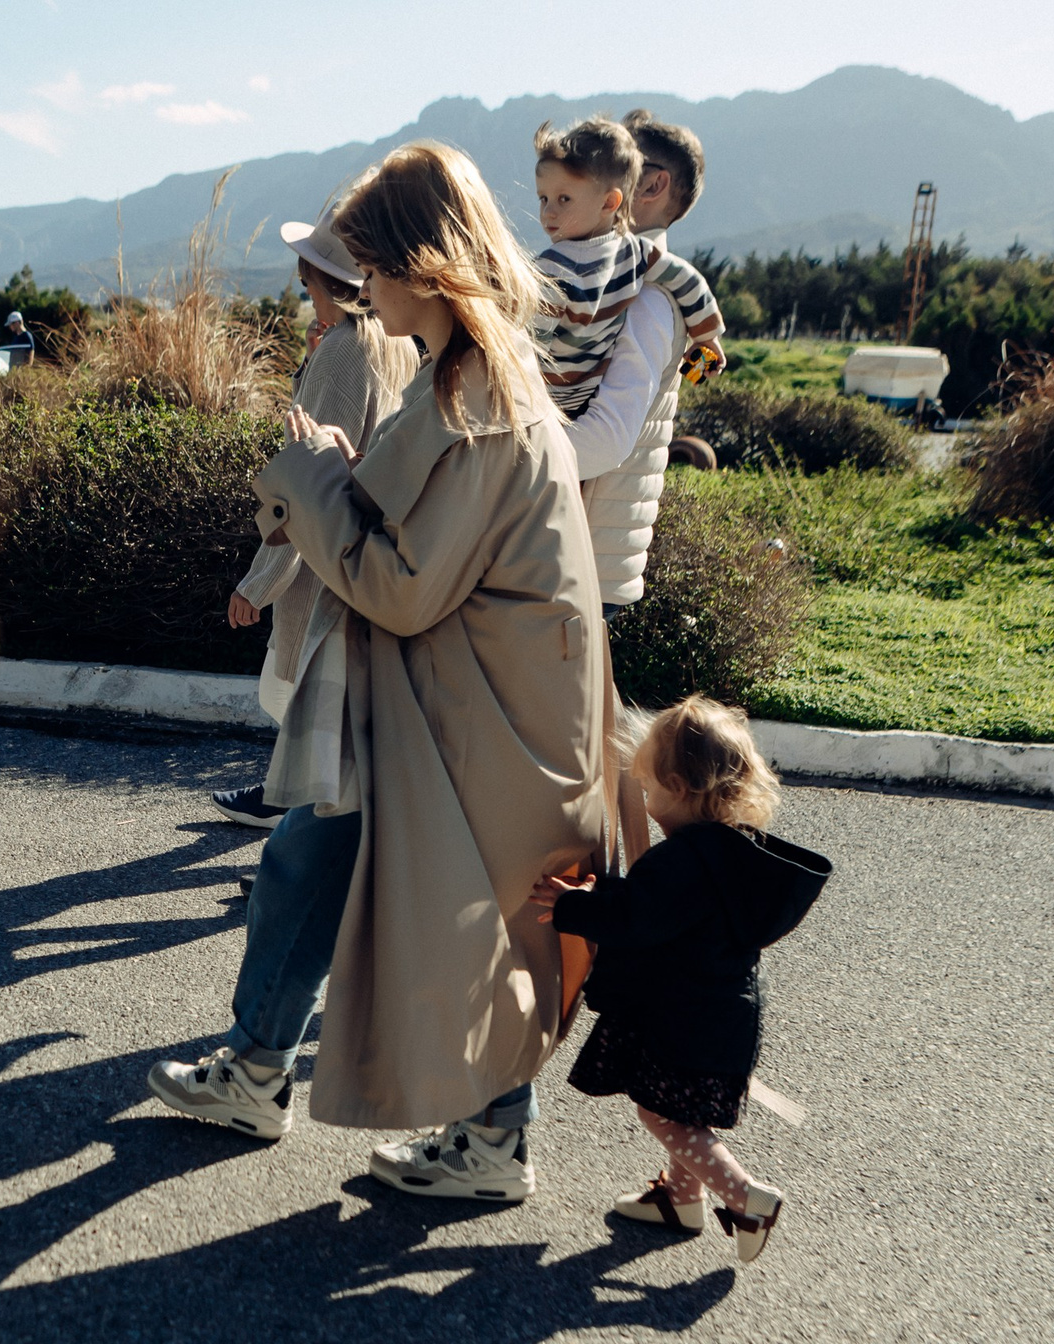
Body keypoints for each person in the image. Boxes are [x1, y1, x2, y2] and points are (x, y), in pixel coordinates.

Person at [147, 141, 612, 1204]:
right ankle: (266, 1069)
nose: (364, 288)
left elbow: (402, 586)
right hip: (464, 704)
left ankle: (463, 1131)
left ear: (424, 261)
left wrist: (313, 473)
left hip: (467, 715)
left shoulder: (472, 394)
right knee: (334, 870)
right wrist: (341, 479)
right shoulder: (471, 376)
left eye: (376, 266)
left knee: (458, 912)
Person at [537, 696, 831, 1263]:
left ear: (676, 784)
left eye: (647, 790)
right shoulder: (733, 855)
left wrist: (575, 907)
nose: (645, 803)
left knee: (662, 1113)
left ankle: (746, 1197)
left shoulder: (682, 863)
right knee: (682, 1107)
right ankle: (679, 1198)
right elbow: (662, 914)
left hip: (686, 1018)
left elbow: (637, 919)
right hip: (722, 1014)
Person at [210, 205, 418, 833]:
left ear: (335, 286)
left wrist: (259, 582)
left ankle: (296, 827)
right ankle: (293, 811)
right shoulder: (396, 341)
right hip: (363, 553)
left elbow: (304, 480)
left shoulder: (342, 351)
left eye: (310, 289)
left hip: (320, 562)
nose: (309, 302)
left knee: (288, 694)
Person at [563, 109, 712, 620]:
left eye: (616, 164)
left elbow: (607, 439)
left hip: (580, 564)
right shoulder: (626, 279)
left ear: (650, 184)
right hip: (582, 554)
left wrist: (506, 458)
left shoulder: (647, 298)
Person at [529, 117, 723, 424]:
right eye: (544, 199)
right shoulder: (639, 258)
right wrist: (708, 335)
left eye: (564, 199)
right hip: (590, 431)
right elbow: (689, 282)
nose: (548, 211)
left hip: (565, 433)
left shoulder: (646, 295)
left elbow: (609, 434)